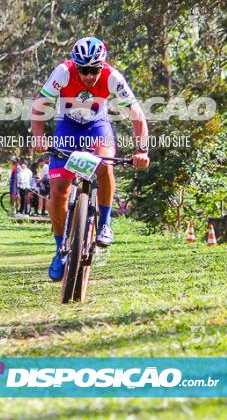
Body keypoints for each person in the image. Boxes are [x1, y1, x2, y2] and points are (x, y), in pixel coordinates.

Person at [31, 36, 150, 281]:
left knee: (105, 165)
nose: (88, 75)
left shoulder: (112, 77)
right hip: (68, 127)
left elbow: (137, 115)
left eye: (93, 69)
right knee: (58, 190)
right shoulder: (63, 73)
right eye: (83, 70)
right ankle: (60, 249)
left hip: (97, 127)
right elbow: (39, 106)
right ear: (75, 65)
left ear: (102, 65)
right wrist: (38, 137)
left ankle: (105, 223)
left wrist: (142, 150)